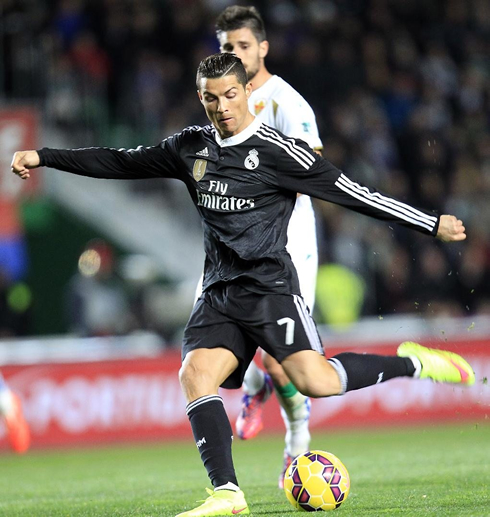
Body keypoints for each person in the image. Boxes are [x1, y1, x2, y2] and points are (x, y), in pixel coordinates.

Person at [11, 53, 474, 517]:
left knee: (317, 381)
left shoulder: (279, 152)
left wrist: (430, 224)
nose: (222, 107)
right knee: (194, 374)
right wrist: (44, 156)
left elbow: (354, 193)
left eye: (231, 95)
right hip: (219, 292)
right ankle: (228, 494)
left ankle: (413, 363)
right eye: (211, 99)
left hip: (270, 290)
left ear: (248, 92)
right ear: (201, 98)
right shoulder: (190, 147)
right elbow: (118, 161)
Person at [214, 5, 321, 485]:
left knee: (284, 358)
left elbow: (309, 172)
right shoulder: (221, 104)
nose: (234, 54)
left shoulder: (289, 104)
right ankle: (267, 398)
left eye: (241, 45)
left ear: (262, 48)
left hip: (290, 239)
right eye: (225, 48)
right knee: (246, 349)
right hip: (235, 242)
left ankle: (294, 429)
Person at [0, 372, 30, 453]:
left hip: (3, 396)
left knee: (12, 422)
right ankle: (20, 447)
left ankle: (20, 447)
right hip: (3, 396)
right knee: (12, 422)